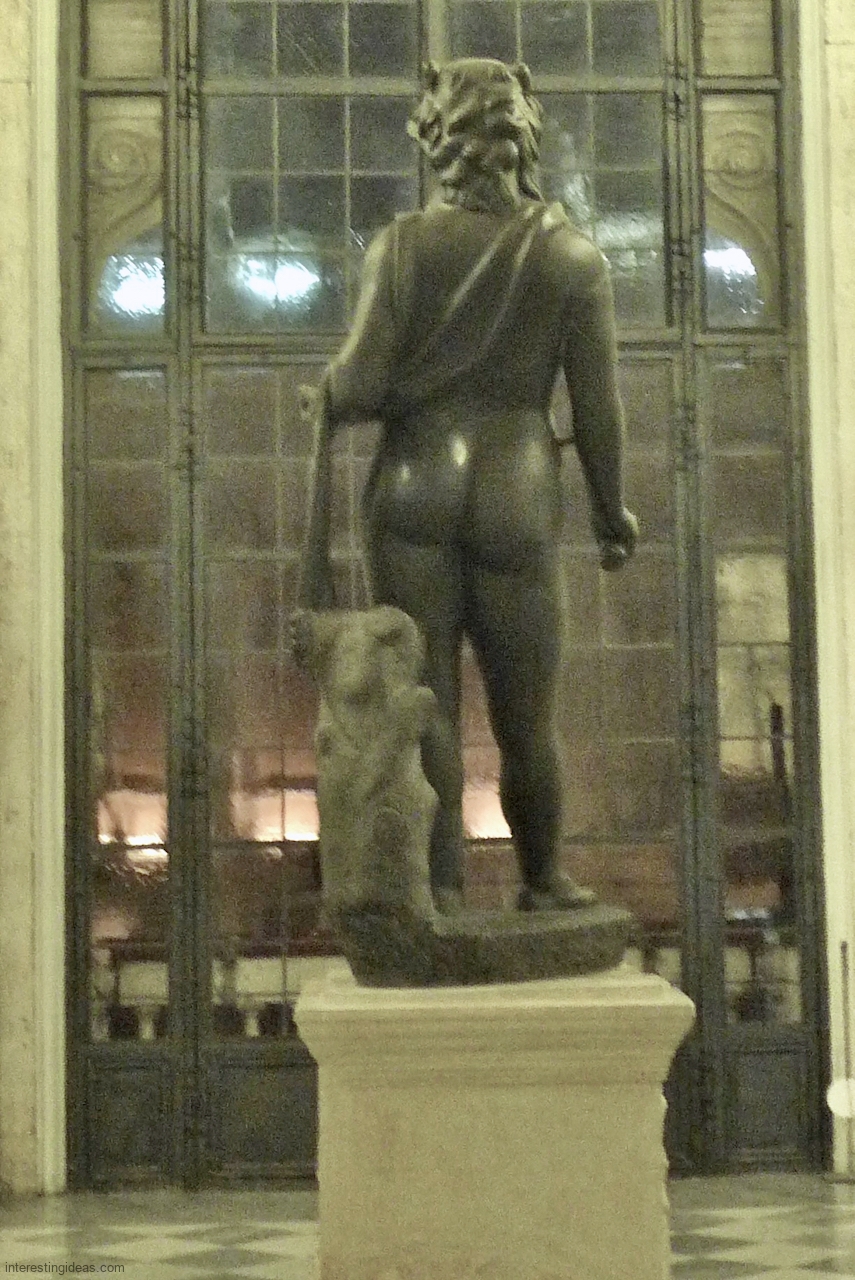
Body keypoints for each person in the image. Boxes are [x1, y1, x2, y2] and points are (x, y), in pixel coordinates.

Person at [301, 57, 638, 914]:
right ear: (525, 135)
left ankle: (441, 890)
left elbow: (360, 384)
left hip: (413, 489)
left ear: (434, 138)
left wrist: (326, 393)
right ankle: (542, 879)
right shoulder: (572, 259)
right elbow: (597, 411)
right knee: (528, 717)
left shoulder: (402, 248)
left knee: (429, 705)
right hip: (514, 493)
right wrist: (611, 513)